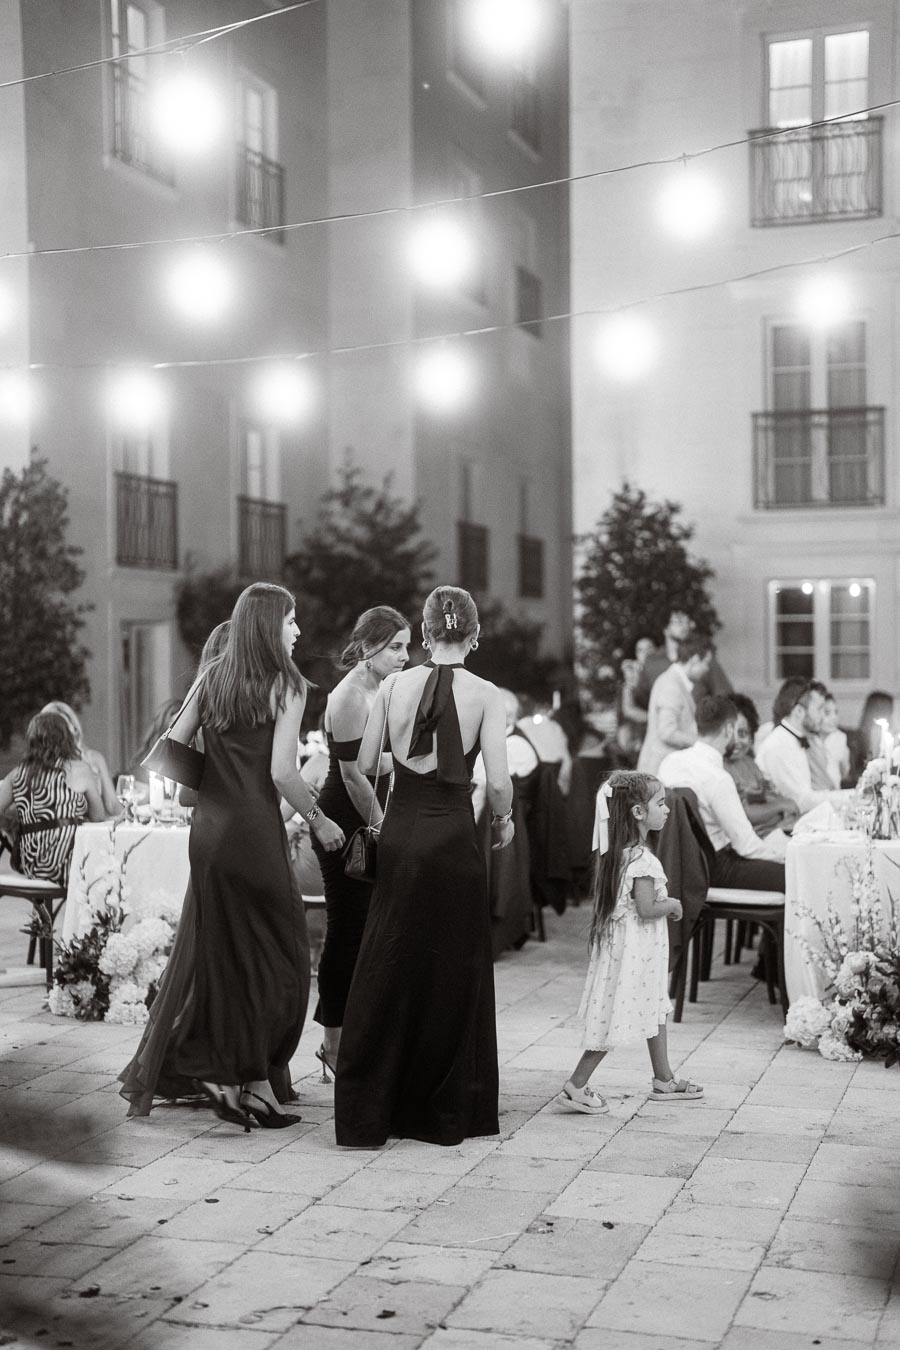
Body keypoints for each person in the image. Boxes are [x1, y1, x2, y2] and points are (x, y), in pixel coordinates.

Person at [119, 583, 345, 1131]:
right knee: (283, 957)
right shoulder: (287, 684)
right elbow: (282, 774)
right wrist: (320, 820)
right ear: (270, 625)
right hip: (253, 830)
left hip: (209, 834)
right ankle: (245, 1081)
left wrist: (211, 783)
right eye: (291, 620)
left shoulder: (213, 675)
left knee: (228, 957)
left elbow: (171, 747)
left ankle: (247, 1084)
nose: (297, 631)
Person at [335, 585, 514, 1147]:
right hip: (455, 836)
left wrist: (410, 763)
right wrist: (503, 822)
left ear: (426, 631)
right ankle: (447, 1107)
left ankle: (374, 1104)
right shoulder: (487, 694)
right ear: (475, 634)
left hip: (403, 833)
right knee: (452, 969)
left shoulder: (392, 685)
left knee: (389, 961)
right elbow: (502, 784)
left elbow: (364, 763)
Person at [558, 771, 702, 1114]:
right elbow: (647, 907)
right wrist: (674, 905)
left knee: (655, 1008)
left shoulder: (618, 854)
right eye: (661, 803)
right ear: (638, 812)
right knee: (614, 1016)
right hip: (635, 955)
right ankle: (576, 1085)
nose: (667, 810)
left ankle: (664, 1079)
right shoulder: (642, 860)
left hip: (635, 952)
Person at [311, 606, 411, 1078]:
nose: (405, 656)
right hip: (346, 818)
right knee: (347, 929)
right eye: (396, 647)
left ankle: (362, 1033)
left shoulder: (382, 688)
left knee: (370, 929)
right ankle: (333, 1044)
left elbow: (378, 761)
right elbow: (352, 775)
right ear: (369, 647)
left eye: (407, 646)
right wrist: (381, 828)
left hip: (372, 812)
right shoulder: (350, 694)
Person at [659, 696, 788, 891]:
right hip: (714, 866)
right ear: (729, 729)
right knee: (793, 874)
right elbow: (747, 847)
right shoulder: (718, 778)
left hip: (675, 865)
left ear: (697, 726)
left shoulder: (670, 762)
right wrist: (788, 855)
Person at [0, 712, 105, 885]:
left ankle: (40, 911)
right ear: (66, 739)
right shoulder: (79, 769)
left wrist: (17, 822)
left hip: (33, 864)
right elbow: (99, 817)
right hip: (72, 861)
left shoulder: (16, 775)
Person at [756, 679, 847, 816]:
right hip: (782, 825)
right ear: (799, 711)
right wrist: (849, 796)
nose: (822, 716)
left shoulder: (796, 739)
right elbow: (801, 801)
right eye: (819, 709)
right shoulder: (779, 745)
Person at [724, 693, 799, 837]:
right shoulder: (721, 768)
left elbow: (770, 795)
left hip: (776, 831)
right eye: (729, 734)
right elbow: (743, 813)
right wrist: (780, 806)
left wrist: (782, 804)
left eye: (743, 733)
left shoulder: (749, 763)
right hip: (752, 841)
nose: (736, 741)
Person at [637, 635, 713, 776]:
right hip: (659, 772)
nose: (707, 669)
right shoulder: (672, 685)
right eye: (706, 662)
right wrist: (702, 742)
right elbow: (667, 732)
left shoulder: (675, 682)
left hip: (665, 769)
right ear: (695, 659)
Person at [634, 610, 732, 711]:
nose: (686, 626)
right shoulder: (651, 662)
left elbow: (725, 698)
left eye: (688, 622)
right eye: (679, 621)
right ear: (666, 628)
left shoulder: (703, 660)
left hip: (698, 724)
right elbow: (640, 702)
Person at [41, 701, 119, 816]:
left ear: (74, 729)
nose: (58, 733)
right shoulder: (38, 764)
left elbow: (112, 805)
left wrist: (135, 815)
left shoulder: (93, 758)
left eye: (62, 726)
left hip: (93, 828)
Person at [848, 690, 895, 783]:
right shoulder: (855, 741)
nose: (890, 716)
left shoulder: (893, 741)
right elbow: (852, 774)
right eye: (887, 711)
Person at [822, 693, 851, 787]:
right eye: (827, 713)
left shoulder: (840, 738)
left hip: (834, 791)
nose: (834, 717)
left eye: (836, 712)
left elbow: (845, 771)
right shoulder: (809, 739)